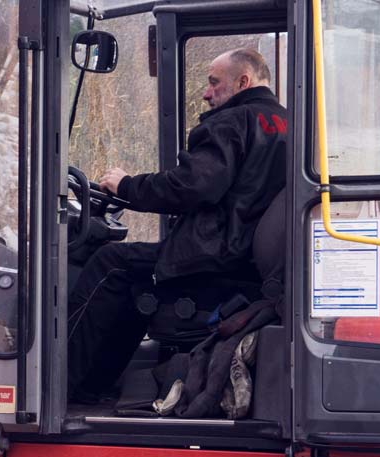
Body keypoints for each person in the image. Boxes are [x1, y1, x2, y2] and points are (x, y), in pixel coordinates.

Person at [70, 48, 289, 402]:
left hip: (215, 257)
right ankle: (96, 386)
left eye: (214, 83)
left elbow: (193, 185)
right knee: (135, 281)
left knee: (110, 264)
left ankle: (58, 384)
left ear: (243, 81)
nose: (206, 93)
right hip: (246, 261)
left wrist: (126, 186)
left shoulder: (232, 122)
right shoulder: (289, 123)